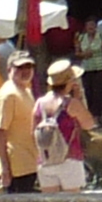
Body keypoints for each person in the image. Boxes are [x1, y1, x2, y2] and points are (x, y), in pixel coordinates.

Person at [0, 55, 42, 195]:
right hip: (16, 168)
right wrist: (4, 167)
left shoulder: (25, 90)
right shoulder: (8, 95)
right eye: (20, 67)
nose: (25, 71)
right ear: (9, 70)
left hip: (30, 163)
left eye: (29, 67)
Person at [37, 61, 90, 193]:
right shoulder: (72, 104)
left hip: (45, 160)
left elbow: (32, 131)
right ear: (70, 82)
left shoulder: (39, 103)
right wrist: (79, 98)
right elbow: (88, 124)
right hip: (70, 158)